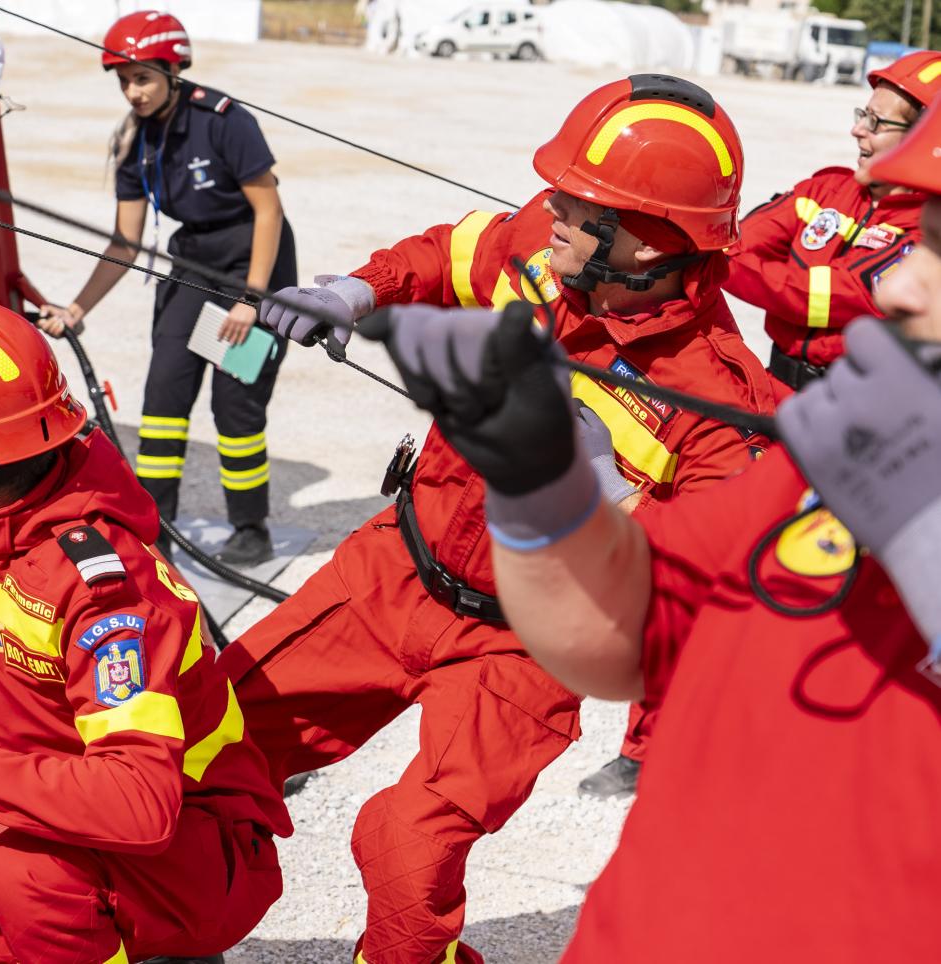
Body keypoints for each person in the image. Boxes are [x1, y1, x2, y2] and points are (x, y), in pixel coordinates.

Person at [356, 89, 941, 962]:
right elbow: (615, 631)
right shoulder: (859, 465)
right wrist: (541, 480)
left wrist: (919, 539)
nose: (896, 285)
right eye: (923, 238)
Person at [219, 75, 772, 964]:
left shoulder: (716, 400)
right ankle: (180, 928)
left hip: (521, 649)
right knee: (211, 732)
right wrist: (356, 292)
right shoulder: (539, 249)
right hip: (397, 568)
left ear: (650, 244)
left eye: (581, 205)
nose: (551, 209)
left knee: (404, 843)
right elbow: (445, 252)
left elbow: (692, 582)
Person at [0, 300, 291, 964]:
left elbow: (136, 805)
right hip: (50, 797)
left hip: (192, 846)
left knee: (24, 879)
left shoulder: (105, 589)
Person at [38, 9, 295, 566]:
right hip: (194, 266)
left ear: (173, 71)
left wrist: (252, 301)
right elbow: (125, 243)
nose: (133, 92)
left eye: (143, 77)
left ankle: (251, 527)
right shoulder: (135, 142)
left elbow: (268, 210)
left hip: (252, 265)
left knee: (235, 405)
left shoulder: (223, 119)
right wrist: (77, 308)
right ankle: (156, 529)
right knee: (164, 398)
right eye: (125, 80)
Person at [725, 49, 941, 398]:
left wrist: (708, 259)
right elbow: (738, 243)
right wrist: (721, 254)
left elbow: (817, 296)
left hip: (850, 410)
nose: (857, 130)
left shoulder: (926, 233)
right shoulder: (826, 189)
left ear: (923, 139)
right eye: (862, 115)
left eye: (876, 121)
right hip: (774, 389)